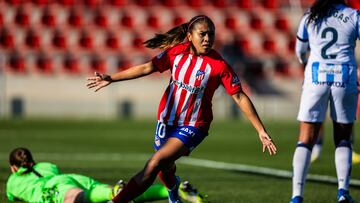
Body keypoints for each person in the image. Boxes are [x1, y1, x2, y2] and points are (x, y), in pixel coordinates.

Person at [87, 15, 277, 203]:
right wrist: (111, 78)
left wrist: (260, 130)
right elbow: (147, 68)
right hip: (166, 120)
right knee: (165, 168)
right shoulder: (177, 53)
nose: (207, 39)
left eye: (211, 34)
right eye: (202, 34)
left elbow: (239, 95)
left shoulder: (219, 65)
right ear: (189, 35)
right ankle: (173, 194)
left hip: (194, 125)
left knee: (155, 162)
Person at [292, 0, 359, 202]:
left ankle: (297, 196)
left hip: (316, 76)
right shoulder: (354, 15)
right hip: (344, 76)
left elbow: (299, 51)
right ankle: (343, 193)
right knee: (343, 137)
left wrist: (307, 63)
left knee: (305, 138)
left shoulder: (310, 16)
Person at [6, 147, 207, 203]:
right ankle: (173, 190)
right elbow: (55, 173)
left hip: (54, 189)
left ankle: (116, 192)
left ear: (13, 167)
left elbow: (14, 198)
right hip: (72, 178)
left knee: (75, 198)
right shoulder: (46, 165)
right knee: (104, 193)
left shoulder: (13, 181)